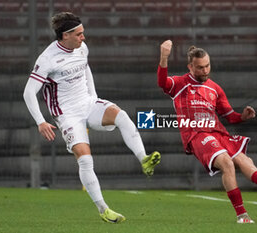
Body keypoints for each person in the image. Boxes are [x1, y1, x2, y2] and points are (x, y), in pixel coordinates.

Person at [23, 12, 161, 224]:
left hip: (87, 104)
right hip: (67, 115)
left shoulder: (81, 48)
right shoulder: (47, 59)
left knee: (121, 115)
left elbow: (86, 68)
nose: (83, 38)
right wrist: (41, 121)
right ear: (65, 35)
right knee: (86, 160)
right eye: (79, 34)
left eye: (83, 33)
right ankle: (104, 209)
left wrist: (93, 97)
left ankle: (143, 159)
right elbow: (29, 92)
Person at [157, 40, 257, 224]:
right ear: (190, 67)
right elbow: (162, 82)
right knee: (226, 162)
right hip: (197, 134)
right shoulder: (179, 83)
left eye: (207, 65)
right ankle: (242, 215)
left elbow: (229, 115)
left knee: (244, 160)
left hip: (218, 132)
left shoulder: (215, 88)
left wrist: (243, 116)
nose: (205, 70)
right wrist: (164, 57)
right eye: (200, 67)